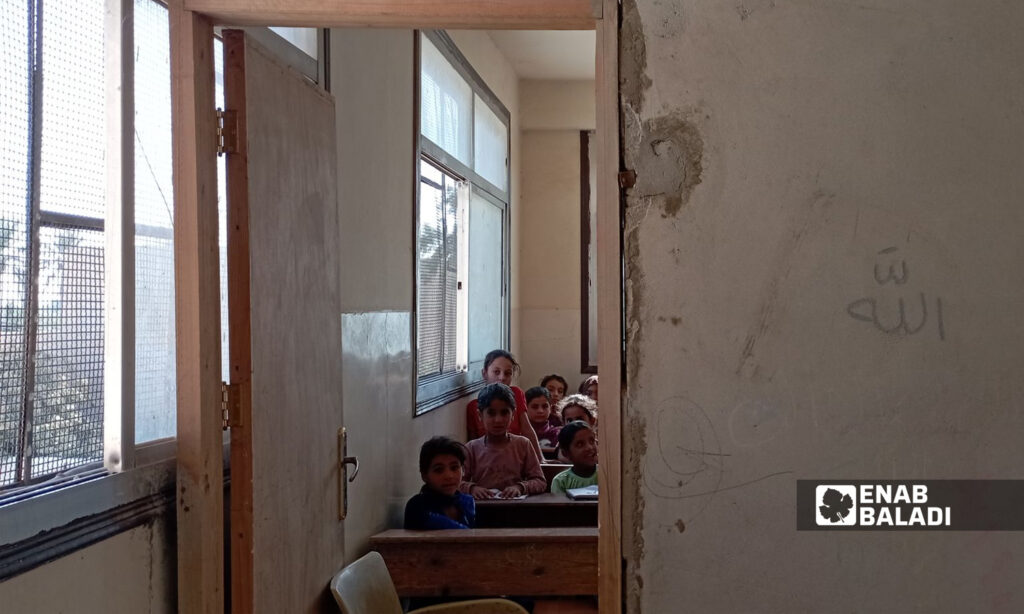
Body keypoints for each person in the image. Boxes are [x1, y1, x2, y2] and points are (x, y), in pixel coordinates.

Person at [460, 383, 547, 500]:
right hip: (482, 511)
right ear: (480, 415)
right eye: (491, 413)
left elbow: (540, 481)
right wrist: (472, 489)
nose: (498, 420)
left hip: (514, 510)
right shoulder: (471, 448)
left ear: (513, 415)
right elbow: (457, 483)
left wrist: (520, 487)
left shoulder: (523, 444)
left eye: (504, 413)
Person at [465, 349, 543, 461]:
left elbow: (527, 429)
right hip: (487, 461)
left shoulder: (516, 394)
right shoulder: (474, 406)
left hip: (516, 457)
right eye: (496, 372)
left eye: (508, 373)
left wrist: (541, 459)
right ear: (484, 373)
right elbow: (472, 443)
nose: (502, 377)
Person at [404, 436, 476, 529]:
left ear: (463, 470)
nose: (449, 476)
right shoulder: (417, 507)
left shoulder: (467, 502)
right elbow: (461, 535)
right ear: (425, 476)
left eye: (454, 468)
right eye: (438, 470)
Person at [550, 421, 599, 496]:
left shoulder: (606, 474)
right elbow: (559, 506)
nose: (589, 447)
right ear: (566, 453)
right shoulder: (561, 481)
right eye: (580, 444)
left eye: (592, 441)